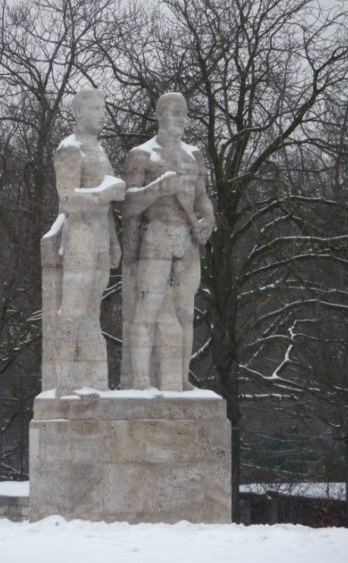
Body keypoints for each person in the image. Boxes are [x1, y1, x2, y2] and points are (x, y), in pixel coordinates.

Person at [121, 92, 215, 391]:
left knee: (186, 311)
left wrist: (208, 219)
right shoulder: (141, 155)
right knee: (148, 308)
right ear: (160, 115)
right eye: (174, 113)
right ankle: (141, 379)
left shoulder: (194, 155)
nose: (181, 119)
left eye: (184, 113)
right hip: (156, 235)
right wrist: (157, 190)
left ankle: (181, 379)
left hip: (187, 239)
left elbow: (202, 198)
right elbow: (127, 206)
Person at [44, 88, 125, 396]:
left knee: (92, 311)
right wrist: (104, 193)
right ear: (78, 112)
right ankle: (63, 382)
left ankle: (94, 382)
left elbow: (106, 208)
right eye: (94, 108)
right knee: (73, 309)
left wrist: (114, 239)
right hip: (79, 234)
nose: (102, 114)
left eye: (103, 108)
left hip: (101, 235)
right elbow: (67, 200)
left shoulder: (100, 151)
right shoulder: (70, 149)